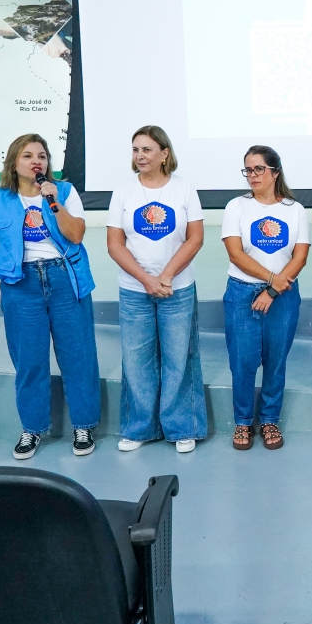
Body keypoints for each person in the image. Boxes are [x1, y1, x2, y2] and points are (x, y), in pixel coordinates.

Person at [0, 134, 101, 459]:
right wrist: (7, 259)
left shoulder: (64, 192)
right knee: (29, 360)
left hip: (64, 278)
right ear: (13, 163)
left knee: (78, 356)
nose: (37, 161)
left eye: (42, 156)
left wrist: (53, 202)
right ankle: (32, 428)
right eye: (28, 155)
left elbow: (76, 234)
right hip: (21, 283)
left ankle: (84, 425)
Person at [106, 126, 206, 454]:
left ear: (164, 154)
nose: (140, 155)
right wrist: (147, 280)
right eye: (136, 149)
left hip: (177, 288)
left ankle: (182, 427)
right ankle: (140, 428)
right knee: (137, 361)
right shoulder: (123, 192)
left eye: (147, 149)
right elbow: (114, 244)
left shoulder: (184, 189)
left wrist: (165, 276)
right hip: (134, 291)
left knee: (179, 358)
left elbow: (195, 238)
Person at [222, 145, 310, 451]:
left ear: (275, 172)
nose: (253, 175)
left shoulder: (294, 209)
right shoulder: (236, 207)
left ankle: (270, 419)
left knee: (275, 361)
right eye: (248, 170)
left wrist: (272, 290)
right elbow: (235, 254)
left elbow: (300, 256)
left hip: (282, 296)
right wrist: (271, 280)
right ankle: (243, 421)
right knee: (243, 362)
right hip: (242, 293)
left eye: (259, 169)